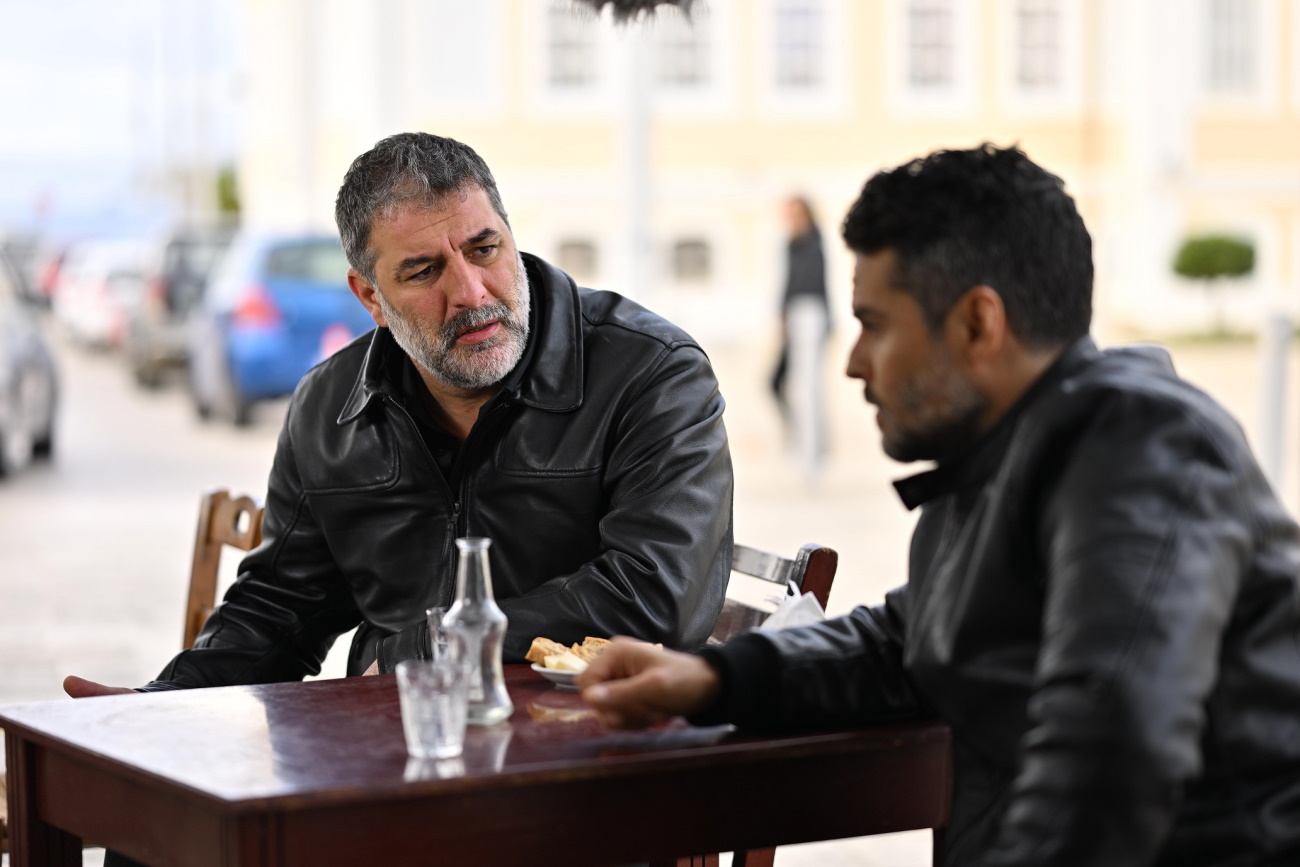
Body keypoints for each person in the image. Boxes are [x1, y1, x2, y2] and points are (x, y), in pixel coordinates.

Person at [579, 144, 1300, 867]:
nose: (854, 362)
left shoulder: (1141, 450)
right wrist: (717, 678)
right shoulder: (1007, 456)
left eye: (875, 324)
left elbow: (1106, 769)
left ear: (978, 324)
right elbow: (910, 639)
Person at [64, 132, 733, 698]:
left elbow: (657, 594)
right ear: (370, 297)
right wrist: (154, 710)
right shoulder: (329, 407)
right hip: (395, 753)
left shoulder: (651, 373)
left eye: (484, 249)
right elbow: (279, 610)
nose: (470, 292)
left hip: (595, 754)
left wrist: (426, 644)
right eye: (423, 271)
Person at [769, 196, 830, 477]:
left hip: (811, 313)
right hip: (796, 314)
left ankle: (813, 454)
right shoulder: (790, 244)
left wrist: (828, 321)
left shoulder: (814, 242)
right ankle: (807, 446)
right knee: (792, 384)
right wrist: (782, 314)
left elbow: (819, 284)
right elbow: (787, 282)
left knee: (810, 387)